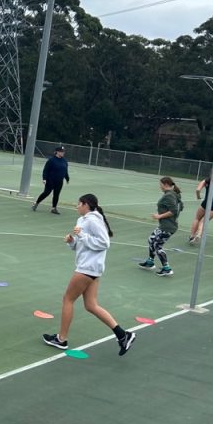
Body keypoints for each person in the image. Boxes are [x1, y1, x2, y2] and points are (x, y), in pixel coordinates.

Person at [41, 193, 136, 356]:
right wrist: (72, 241)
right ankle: (122, 335)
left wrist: (82, 235)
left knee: (68, 299)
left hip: (88, 267)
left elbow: (104, 243)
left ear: (86, 205)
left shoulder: (93, 220)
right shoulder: (82, 220)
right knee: (91, 305)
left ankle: (61, 339)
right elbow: (82, 244)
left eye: (79, 204)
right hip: (90, 267)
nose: (76, 206)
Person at [138, 176, 182, 277]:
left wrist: (159, 216)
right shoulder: (174, 194)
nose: (160, 186)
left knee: (157, 245)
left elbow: (174, 210)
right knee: (151, 239)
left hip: (168, 227)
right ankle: (150, 262)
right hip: (165, 225)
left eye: (160, 184)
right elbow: (180, 207)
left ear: (165, 184)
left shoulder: (169, 195)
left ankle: (167, 268)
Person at [31, 146, 69, 214]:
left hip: (59, 181)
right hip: (50, 180)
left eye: (63, 151)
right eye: (61, 151)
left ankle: (54, 208)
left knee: (56, 195)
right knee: (46, 193)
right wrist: (44, 179)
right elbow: (46, 170)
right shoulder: (51, 160)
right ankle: (36, 203)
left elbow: (65, 170)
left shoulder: (64, 161)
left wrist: (67, 178)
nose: (63, 153)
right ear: (57, 152)